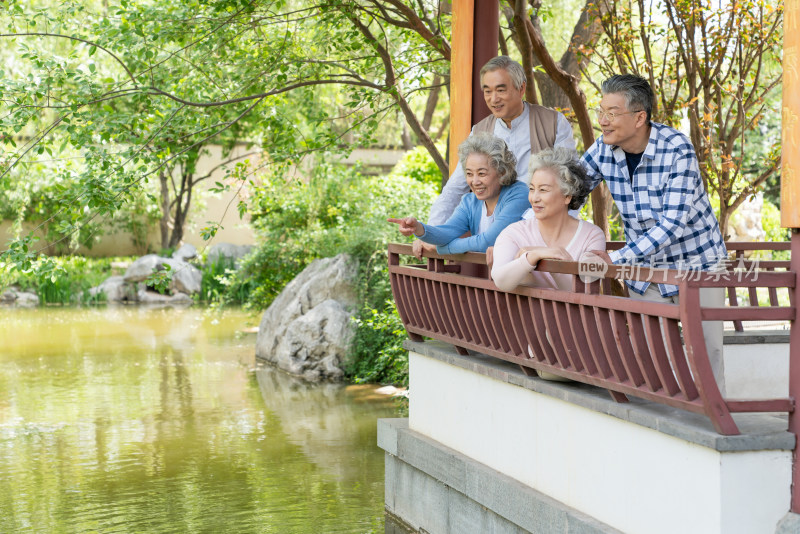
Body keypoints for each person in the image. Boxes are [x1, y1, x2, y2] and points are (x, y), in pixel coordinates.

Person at [581, 73, 727, 393]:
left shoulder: (677, 149)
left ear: (639, 117)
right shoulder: (603, 150)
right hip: (644, 271)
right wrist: (522, 233)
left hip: (699, 265)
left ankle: (712, 423)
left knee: (706, 352)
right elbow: (564, 191)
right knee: (653, 354)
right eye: (600, 111)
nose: (602, 121)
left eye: (612, 113)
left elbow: (672, 224)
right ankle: (666, 424)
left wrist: (614, 258)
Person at [413, 55, 576, 259]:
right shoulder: (480, 130)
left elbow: (571, 184)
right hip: (494, 237)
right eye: (487, 91)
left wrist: (546, 231)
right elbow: (455, 188)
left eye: (500, 89)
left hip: (544, 233)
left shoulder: (553, 123)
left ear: (521, 88)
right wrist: (430, 234)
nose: (493, 98)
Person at [389, 134, 529, 254]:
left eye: (481, 173)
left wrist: (441, 249)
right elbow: (447, 232)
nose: (474, 181)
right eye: (469, 174)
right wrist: (418, 228)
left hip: (536, 280)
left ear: (502, 172)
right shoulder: (470, 201)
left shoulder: (519, 194)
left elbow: (488, 241)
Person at [491, 147, 605, 292]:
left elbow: (585, 291)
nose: (534, 198)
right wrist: (532, 256)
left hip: (574, 315)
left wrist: (551, 258)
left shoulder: (592, 236)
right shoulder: (514, 232)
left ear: (567, 196)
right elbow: (501, 280)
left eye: (543, 190)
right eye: (532, 189)